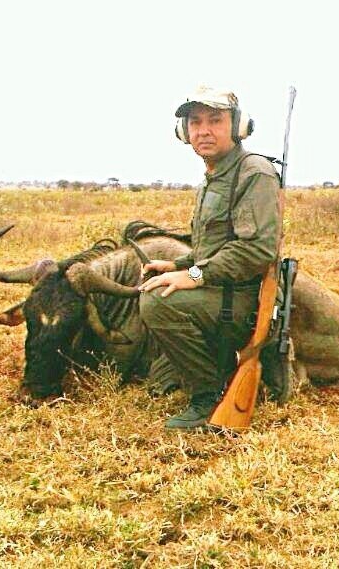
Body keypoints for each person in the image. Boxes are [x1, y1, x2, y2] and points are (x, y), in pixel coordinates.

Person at [138, 86, 282, 429]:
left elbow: (257, 250)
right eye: (195, 122)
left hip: (241, 300)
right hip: (222, 290)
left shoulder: (254, 172)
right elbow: (213, 247)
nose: (203, 130)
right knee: (153, 283)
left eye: (215, 120)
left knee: (158, 303)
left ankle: (208, 397)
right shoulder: (213, 176)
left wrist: (196, 276)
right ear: (183, 133)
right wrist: (177, 266)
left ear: (238, 127)